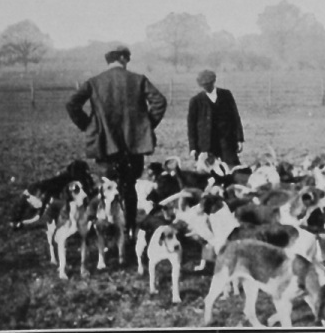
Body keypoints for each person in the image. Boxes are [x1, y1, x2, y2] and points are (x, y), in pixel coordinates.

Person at [66, 46, 167, 248]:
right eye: (127, 59)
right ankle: (129, 228)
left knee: (108, 186)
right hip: (133, 146)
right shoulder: (138, 80)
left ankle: (106, 228)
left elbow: (71, 104)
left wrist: (88, 126)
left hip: (105, 143)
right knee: (129, 187)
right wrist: (145, 127)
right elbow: (160, 102)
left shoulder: (94, 82)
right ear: (123, 59)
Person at [187, 68, 244, 168]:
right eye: (204, 85)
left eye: (208, 84)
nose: (206, 87)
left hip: (226, 142)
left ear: (213, 82)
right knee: (209, 172)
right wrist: (193, 148)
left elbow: (235, 117)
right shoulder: (196, 101)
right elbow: (191, 126)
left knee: (232, 168)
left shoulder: (226, 95)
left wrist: (239, 139)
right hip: (206, 145)